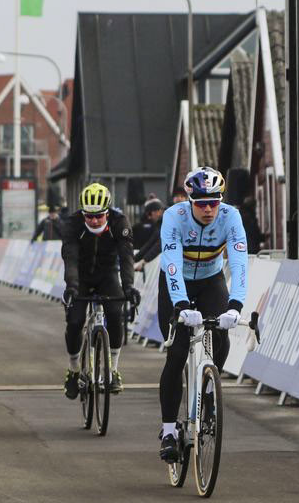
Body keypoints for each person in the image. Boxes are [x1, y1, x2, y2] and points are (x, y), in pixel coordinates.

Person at [156, 166, 249, 465]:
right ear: (190, 200)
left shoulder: (230, 216)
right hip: (176, 283)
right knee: (177, 353)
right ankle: (169, 430)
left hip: (211, 280)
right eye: (202, 203)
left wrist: (236, 305)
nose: (209, 209)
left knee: (220, 335)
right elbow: (171, 263)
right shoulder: (174, 217)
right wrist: (181, 306)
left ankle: (209, 392)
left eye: (214, 202)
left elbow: (239, 260)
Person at [61, 183, 139, 398]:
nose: (94, 220)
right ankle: (74, 369)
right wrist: (72, 286)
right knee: (75, 322)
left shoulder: (119, 222)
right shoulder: (73, 224)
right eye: (89, 216)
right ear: (83, 213)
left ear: (108, 212)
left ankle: (113, 370)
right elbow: (70, 259)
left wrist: (129, 287)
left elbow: (126, 257)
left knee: (115, 315)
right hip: (82, 277)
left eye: (99, 216)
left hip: (107, 275)